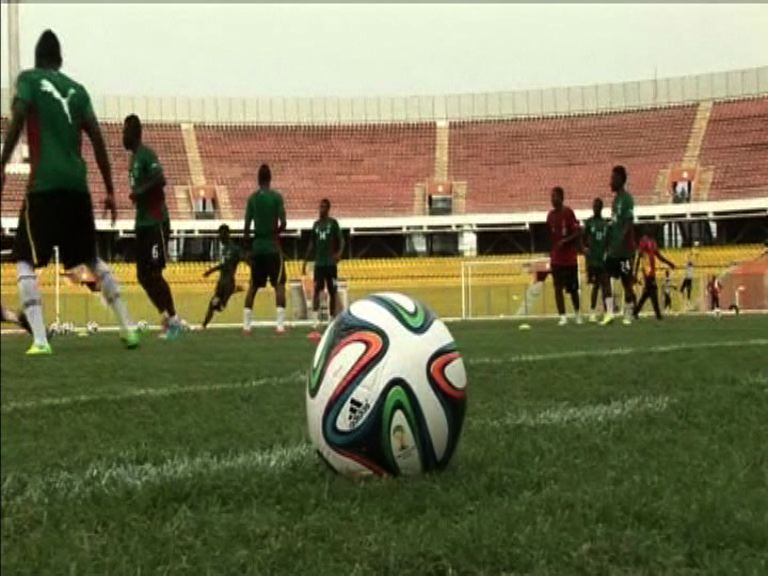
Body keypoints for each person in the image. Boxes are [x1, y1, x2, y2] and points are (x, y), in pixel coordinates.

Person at [0, 30, 137, 354]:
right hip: (78, 188)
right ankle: (128, 327)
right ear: (59, 60)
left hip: (44, 187)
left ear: (38, 59)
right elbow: (98, 140)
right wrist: (110, 190)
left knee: (25, 261)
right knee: (91, 259)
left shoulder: (29, 80)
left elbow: (18, 119)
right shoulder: (79, 90)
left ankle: (40, 339)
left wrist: (2, 164)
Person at [123, 114, 182, 340]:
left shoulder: (147, 154)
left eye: (125, 131)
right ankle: (165, 316)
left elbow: (160, 179)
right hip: (142, 223)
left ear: (135, 133)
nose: (123, 136)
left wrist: (140, 191)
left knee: (155, 274)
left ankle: (175, 321)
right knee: (142, 275)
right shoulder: (133, 159)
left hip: (156, 221)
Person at [243, 164, 287, 334]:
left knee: (253, 286)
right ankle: (280, 326)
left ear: (258, 179)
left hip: (258, 248)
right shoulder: (276, 197)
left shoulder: (252, 199)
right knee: (279, 285)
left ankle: (246, 326)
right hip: (272, 247)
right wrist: (275, 233)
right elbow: (283, 222)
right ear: (270, 178)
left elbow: (247, 227)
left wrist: (248, 249)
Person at [302, 198, 344, 339]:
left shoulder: (333, 223)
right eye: (320, 206)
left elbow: (341, 240)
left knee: (332, 291)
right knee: (316, 291)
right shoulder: (316, 225)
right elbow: (311, 244)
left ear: (328, 209)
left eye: (324, 207)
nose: (321, 209)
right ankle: (315, 325)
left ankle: (331, 322)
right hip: (319, 264)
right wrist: (305, 261)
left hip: (331, 265)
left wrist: (339, 253)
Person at [605, 165, 637, 326]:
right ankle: (610, 312)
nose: (610, 181)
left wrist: (621, 240)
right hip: (614, 251)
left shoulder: (627, 199)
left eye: (613, 178)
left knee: (626, 281)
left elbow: (628, 223)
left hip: (625, 251)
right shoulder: (615, 200)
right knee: (604, 276)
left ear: (620, 180)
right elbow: (615, 223)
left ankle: (629, 314)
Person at [546, 186, 581, 326]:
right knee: (557, 288)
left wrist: (566, 241)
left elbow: (577, 232)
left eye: (554, 196)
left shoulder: (568, 212)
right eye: (551, 196)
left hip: (569, 259)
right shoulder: (550, 216)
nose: (552, 199)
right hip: (556, 259)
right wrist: (551, 252)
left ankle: (577, 314)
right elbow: (549, 236)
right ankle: (562, 316)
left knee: (573, 289)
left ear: (561, 198)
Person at [202, 224, 243, 329]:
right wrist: (210, 271)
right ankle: (204, 325)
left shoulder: (234, 249)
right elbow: (223, 264)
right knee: (212, 304)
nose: (220, 238)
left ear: (227, 234)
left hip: (229, 283)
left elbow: (226, 264)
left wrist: (210, 271)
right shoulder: (224, 249)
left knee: (220, 308)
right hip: (221, 282)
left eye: (221, 236)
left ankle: (233, 290)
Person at [582, 197, 614, 323]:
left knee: (606, 285)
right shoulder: (589, 223)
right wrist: (584, 249)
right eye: (594, 206)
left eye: (597, 207)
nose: (595, 208)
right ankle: (592, 312)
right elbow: (583, 239)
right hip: (592, 260)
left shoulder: (605, 224)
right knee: (595, 286)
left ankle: (609, 312)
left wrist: (608, 253)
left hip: (603, 260)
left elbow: (609, 242)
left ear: (601, 208)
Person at [632, 232, 675, 320]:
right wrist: (635, 273)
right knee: (653, 290)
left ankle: (635, 312)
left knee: (647, 293)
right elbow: (639, 257)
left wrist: (669, 263)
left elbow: (659, 256)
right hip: (647, 271)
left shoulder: (653, 242)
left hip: (652, 271)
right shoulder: (644, 241)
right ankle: (658, 315)